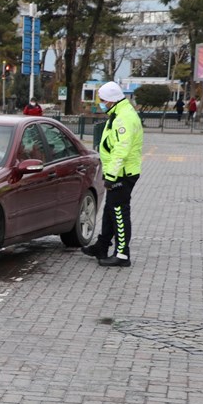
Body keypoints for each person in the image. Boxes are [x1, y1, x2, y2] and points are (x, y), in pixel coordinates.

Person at [81, 81, 143, 267]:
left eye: (103, 100)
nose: (101, 103)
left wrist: (111, 177)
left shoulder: (123, 117)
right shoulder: (118, 113)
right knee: (110, 210)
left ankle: (122, 254)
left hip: (122, 174)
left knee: (119, 212)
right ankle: (102, 246)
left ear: (111, 100)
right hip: (119, 173)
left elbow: (121, 151)